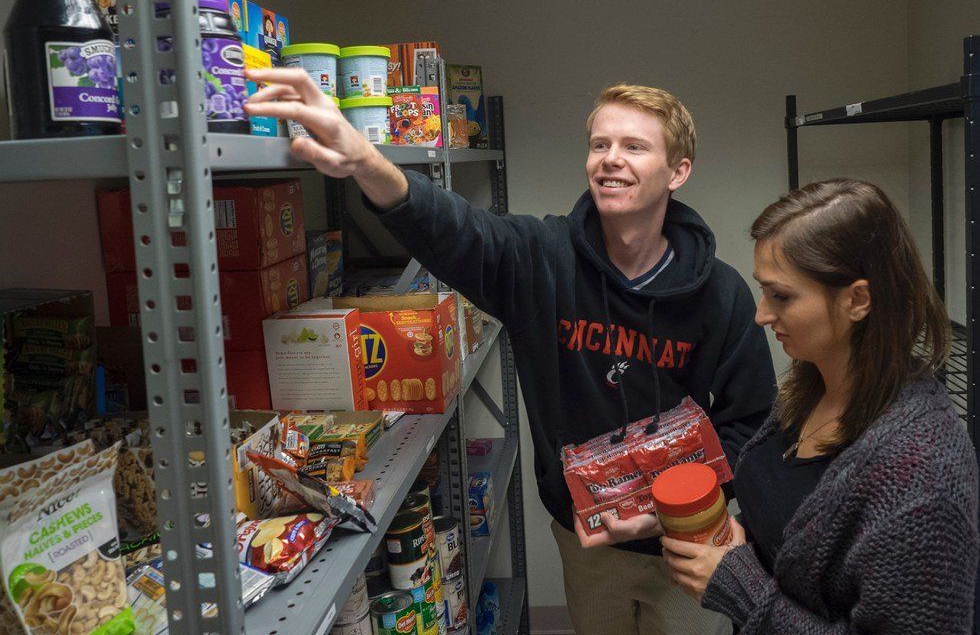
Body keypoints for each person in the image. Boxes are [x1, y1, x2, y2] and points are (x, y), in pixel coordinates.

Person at [245, 68, 776, 635]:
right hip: (585, 538)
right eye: (600, 144)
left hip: (687, 537)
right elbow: (459, 232)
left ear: (678, 172)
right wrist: (366, 163)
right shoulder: (542, 258)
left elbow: (752, 422)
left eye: (634, 146)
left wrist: (665, 511)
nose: (610, 159)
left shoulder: (720, 293)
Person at [661, 178, 979, 634]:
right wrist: (734, 538)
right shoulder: (810, 382)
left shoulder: (922, 475)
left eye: (782, 296)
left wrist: (735, 580)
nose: (761, 314)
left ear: (857, 300)